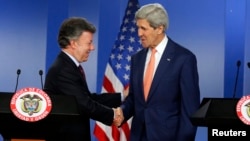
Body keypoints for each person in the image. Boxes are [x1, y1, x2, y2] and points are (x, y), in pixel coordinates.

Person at [114, 3, 200, 141]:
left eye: (143, 28)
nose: (139, 33)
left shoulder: (183, 59)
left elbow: (190, 109)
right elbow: (134, 98)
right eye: (138, 28)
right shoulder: (137, 58)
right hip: (138, 136)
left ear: (160, 28)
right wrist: (123, 111)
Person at [44, 17, 123, 141]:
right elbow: (84, 104)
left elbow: (87, 98)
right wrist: (113, 115)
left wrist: (122, 96)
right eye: (89, 43)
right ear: (74, 43)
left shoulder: (69, 66)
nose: (92, 48)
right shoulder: (63, 69)